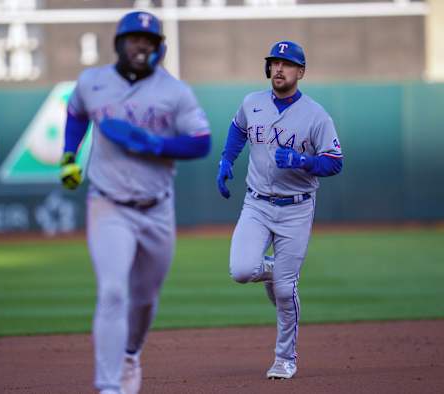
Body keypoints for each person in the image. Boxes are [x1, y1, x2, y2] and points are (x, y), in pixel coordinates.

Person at [59, 11, 211, 394]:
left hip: (157, 207)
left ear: (159, 47)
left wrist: (157, 144)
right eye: (133, 39)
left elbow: (201, 141)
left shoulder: (175, 92)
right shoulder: (92, 82)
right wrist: (67, 156)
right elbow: (76, 112)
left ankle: (130, 353)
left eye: (149, 40)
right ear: (119, 43)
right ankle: (109, 385)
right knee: (112, 291)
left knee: (144, 301)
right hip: (108, 204)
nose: (140, 45)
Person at [216, 40, 343, 379]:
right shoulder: (252, 103)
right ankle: (274, 269)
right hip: (256, 203)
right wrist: (227, 159)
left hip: (296, 208)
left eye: (287, 64)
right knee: (242, 270)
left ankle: (285, 359)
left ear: (300, 72)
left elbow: (335, 163)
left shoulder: (316, 115)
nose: (279, 69)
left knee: (285, 291)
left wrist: (302, 160)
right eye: (274, 63)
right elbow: (238, 128)